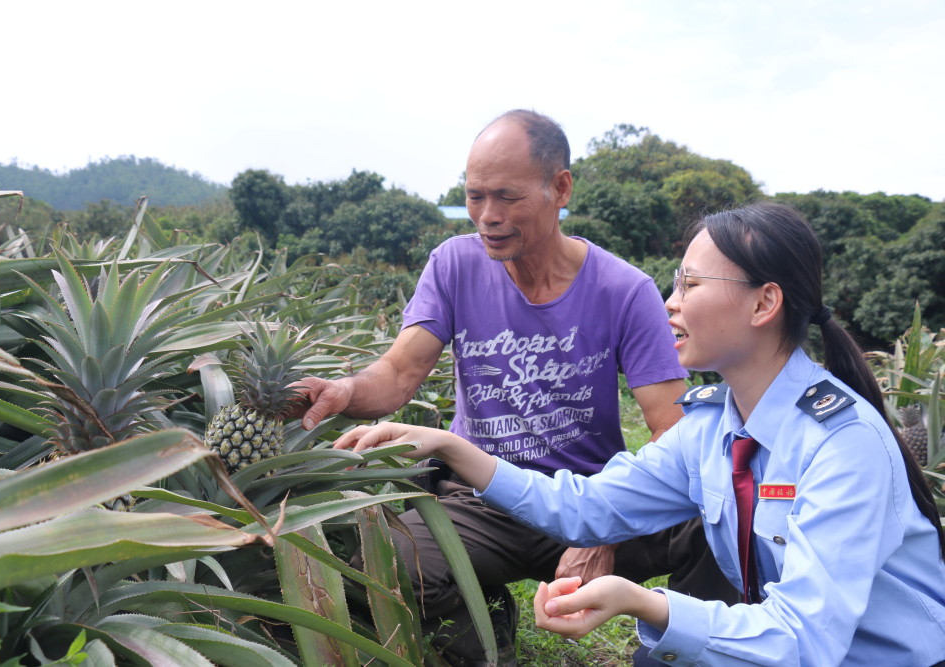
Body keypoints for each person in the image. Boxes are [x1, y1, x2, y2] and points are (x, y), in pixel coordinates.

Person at [333, 202, 945, 666]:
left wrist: (642, 602)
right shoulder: (713, 426)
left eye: (692, 285)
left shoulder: (841, 443)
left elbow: (805, 638)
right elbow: (588, 507)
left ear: (764, 305)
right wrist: (451, 446)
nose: (669, 302)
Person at [295, 109, 735, 664]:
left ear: (560, 187)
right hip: (482, 502)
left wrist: (600, 530)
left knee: (725, 521)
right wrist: (345, 390)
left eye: (507, 197)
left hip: (592, 498)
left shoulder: (625, 290)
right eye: (475, 196)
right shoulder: (454, 265)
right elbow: (400, 372)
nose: (488, 216)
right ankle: (483, 637)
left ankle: (675, 653)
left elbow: (672, 429)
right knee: (386, 565)